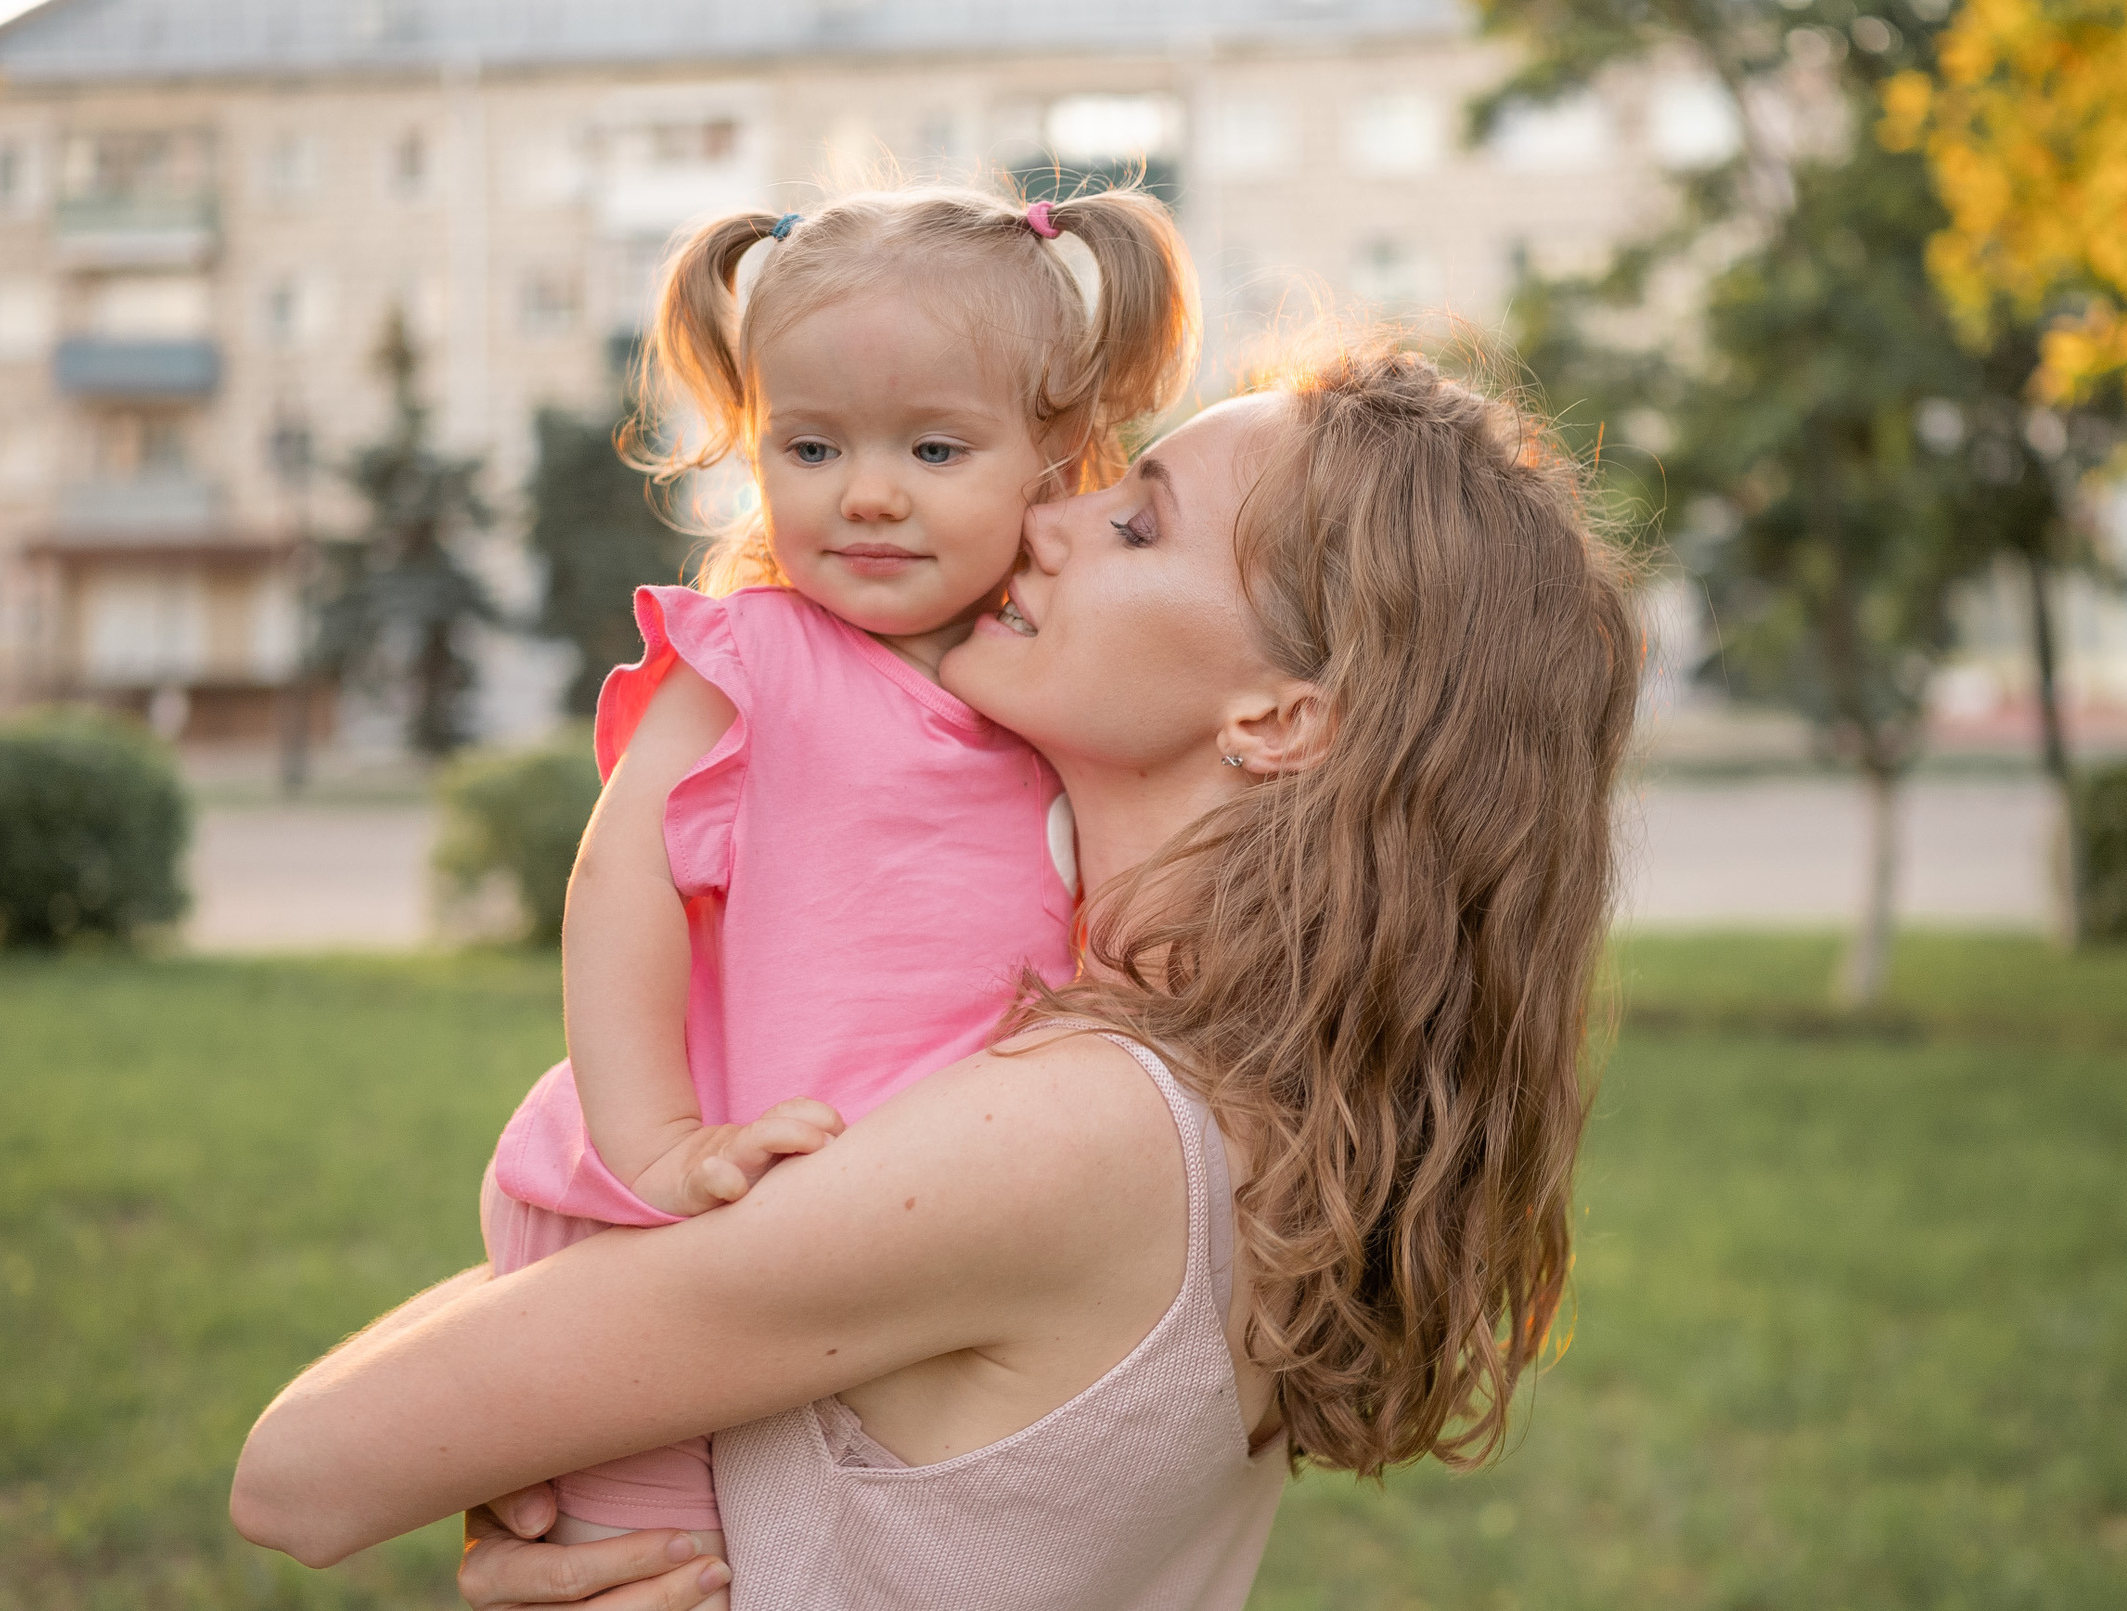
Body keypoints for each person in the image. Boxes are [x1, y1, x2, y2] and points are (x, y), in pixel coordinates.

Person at [232, 343, 1642, 1611]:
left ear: (1279, 718)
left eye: (1135, 520)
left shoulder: (1075, 1132)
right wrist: (569, 1413)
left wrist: (529, 1435)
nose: (1041, 520)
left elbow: (300, 1475)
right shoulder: (1255, 1100)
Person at [474, 182, 1196, 1591]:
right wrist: (662, 1145)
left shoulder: (1045, 694)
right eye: (809, 446)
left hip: (905, 1252)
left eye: (934, 446)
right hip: (670, 1219)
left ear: (1057, 458)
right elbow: (615, 890)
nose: (865, 492)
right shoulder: (751, 663)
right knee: (662, 1577)